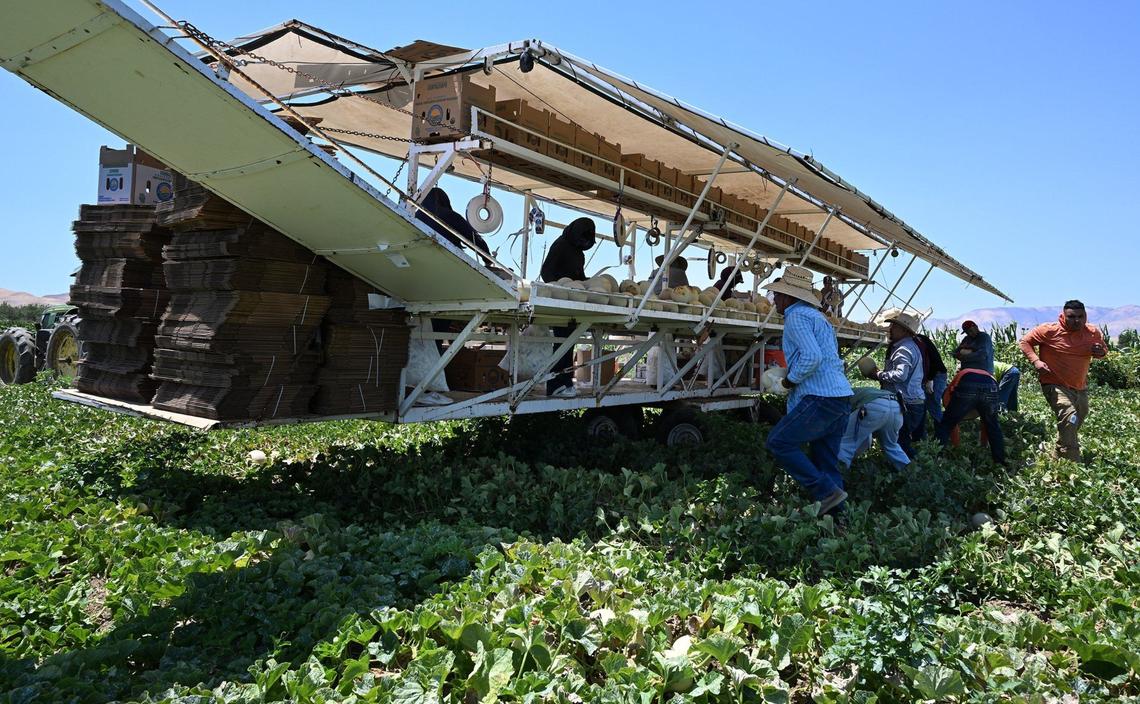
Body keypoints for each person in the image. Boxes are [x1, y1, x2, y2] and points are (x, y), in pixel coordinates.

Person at [762, 266, 853, 515]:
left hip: (820, 397)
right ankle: (840, 520)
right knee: (826, 460)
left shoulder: (797, 317)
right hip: (840, 397)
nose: (775, 300)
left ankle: (826, 492)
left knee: (779, 442)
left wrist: (789, 381)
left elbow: (812, 357)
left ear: (790, 297)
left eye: (778, 295)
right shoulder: (818, 317)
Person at [1018, 300, 1107, 461]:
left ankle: (1058, 452)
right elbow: (1025, 342)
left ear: (1085, 315)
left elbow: (1102, 350)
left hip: (1079, 387)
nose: (1077, 321)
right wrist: (1036, 361)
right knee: (1069, 414)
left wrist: (1100, 352)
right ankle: (1071, 462)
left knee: (1079, 416)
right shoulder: (1049, 330)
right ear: (1063, 316)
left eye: (1080, 316)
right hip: (1054, 384)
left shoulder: (1092, 332)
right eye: (1071, 317)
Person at [539, 217, 598, 397]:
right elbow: (546, 271)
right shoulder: (561, 245)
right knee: (562, 345)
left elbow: (579, 276)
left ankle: (565, 382)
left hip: (572, 306)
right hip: (561, 305)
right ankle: (555, 385)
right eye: (583, 238)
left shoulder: (579, 253)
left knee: (568, 345)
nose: (584, 243)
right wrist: (560, 288)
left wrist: (588, 283)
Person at [861, 311, 926, 458]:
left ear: (904, 331)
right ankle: (912, 469)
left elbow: (900, 375)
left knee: (901, 443)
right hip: (912, 401)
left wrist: (877, 375)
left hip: (906, 403)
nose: (890, 329)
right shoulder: (908, 346)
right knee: (900, 441)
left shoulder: (904, 349)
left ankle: (910, 471)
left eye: (894, 327)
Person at [935, 367, 1006, 465]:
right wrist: (983, 444)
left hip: (968, 384)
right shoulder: (982, 373)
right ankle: (1000, 462)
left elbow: (951, 422)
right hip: (991, 385)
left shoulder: (948, 393)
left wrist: (957, 446)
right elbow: (986, 423)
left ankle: (936, 457)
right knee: (993, 426)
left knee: (945, 424)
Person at [837, 387, 911, 472]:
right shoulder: (861, 391)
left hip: (874, 405)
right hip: (896, 406)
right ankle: (908, 472)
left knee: (847, 443)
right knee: (891, 445)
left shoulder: (841, 396)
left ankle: (839, 474)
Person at [415, 188, 493, 266]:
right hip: (447, 259)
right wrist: (487, 259)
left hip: (419, 258)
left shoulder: (414, 216)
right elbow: (471, 236)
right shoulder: (449, 215)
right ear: (444, 200)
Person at [914, 330, 948, 425]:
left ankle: (942, 433)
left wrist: (930, 379)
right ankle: (923, 435)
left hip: (936, 374)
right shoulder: (913, 341)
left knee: (933, 404)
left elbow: (935, 361)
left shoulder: (919, 340)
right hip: (929, 375)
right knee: (924, 404)